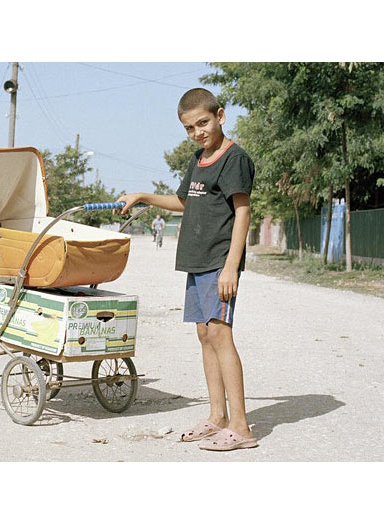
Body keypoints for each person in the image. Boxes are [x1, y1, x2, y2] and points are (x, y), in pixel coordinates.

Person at [117, 88, 256, 451]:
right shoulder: (198, 159)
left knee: (221, 335)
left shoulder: (234, 159)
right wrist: (143, 197)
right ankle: (216, 417)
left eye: (203, 123)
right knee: (204, 336)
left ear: (220, 116)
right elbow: (182, 201)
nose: (198, 132)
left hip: (218, 262)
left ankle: (241, 427)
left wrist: (231, 267)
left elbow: (243, 212)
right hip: (197, 262)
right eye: (189, 127)